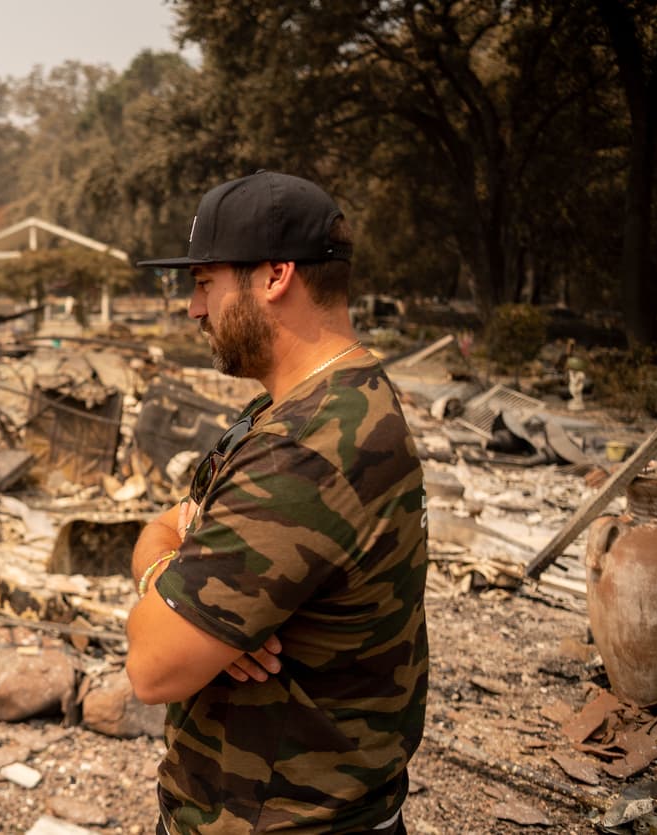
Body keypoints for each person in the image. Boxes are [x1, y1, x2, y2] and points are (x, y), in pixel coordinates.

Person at [126, 171, 428, 834]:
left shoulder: (306, 449)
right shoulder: (317, 401)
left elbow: (150, 665)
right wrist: (174, 582)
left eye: (205, 282)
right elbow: (160, 528)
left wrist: (178, 604)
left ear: (275, 275)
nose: (192, 308)